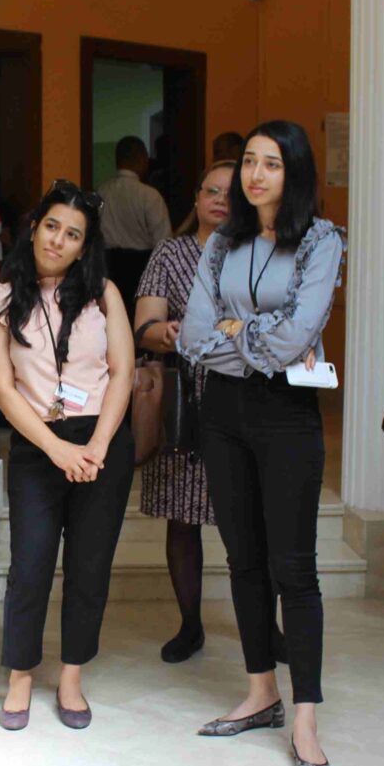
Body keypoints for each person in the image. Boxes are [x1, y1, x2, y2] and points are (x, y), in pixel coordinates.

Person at [181, 120, 344, 766]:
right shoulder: (223, 240)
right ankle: (260, 692)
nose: (254, 175)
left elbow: (298, 335)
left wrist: (238, 329)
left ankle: (305, 717)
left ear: (294, 172)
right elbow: (193, 336)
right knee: (242, 559)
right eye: (249, 161)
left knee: (293, 568)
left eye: (271, 164)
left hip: (287, 413)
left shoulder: (322, 240)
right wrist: (256, 337)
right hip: (222, 412)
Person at [0, 180, 136, 730]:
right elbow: (2, 388)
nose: (58, 240)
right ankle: (21, 674)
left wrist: (95, 447)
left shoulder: (105, 294)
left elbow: (123, 371)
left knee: (89, 566)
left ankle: (71, 675)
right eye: (51, 226)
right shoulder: (2, 299)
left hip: (101, 443)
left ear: (83, 246)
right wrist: (56, 449)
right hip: (37, 443)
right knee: (29, 565)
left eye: (73, 234)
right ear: (33, 229)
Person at [133, 160, 235, 663]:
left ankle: (264, 625)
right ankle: (190, 624)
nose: (220, 200)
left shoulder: (259, 253)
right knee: (182, 517)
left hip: (242, 398)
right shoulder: (170, 253)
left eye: (231, 194)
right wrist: (166, 332)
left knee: (249, 523)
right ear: (196, 198)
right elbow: (143, 327)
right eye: (211, 191)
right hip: (184, 401)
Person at [97, 135, 172, 302]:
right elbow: (163, 243)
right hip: (142, 270)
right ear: (142, 159)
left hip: (108, 270)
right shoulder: (150, 195)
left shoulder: (101, 192)